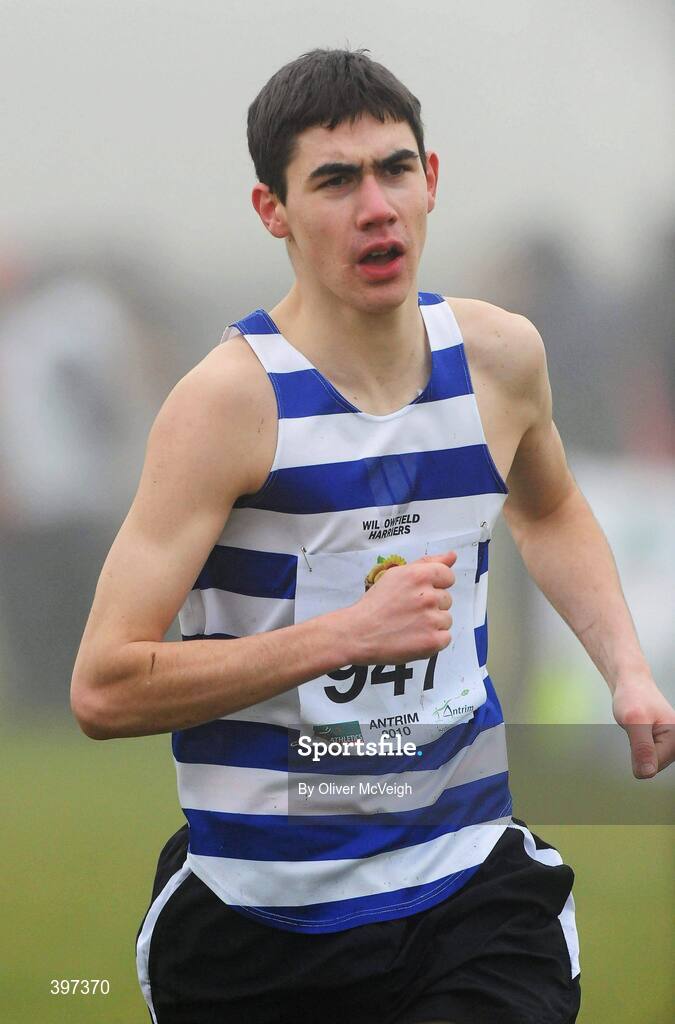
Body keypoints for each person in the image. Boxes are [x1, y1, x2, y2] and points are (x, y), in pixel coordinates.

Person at [70, 47, 675, 1024]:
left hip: (471, 891)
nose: (376, 205)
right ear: (273, 210)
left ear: (431, 182)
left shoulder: (499, 359)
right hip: (259, 924)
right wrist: (343, 636)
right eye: (336, 180)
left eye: (395, 169)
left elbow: (549, 506)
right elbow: (102, 684)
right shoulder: (228, 405)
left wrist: (627, 667)